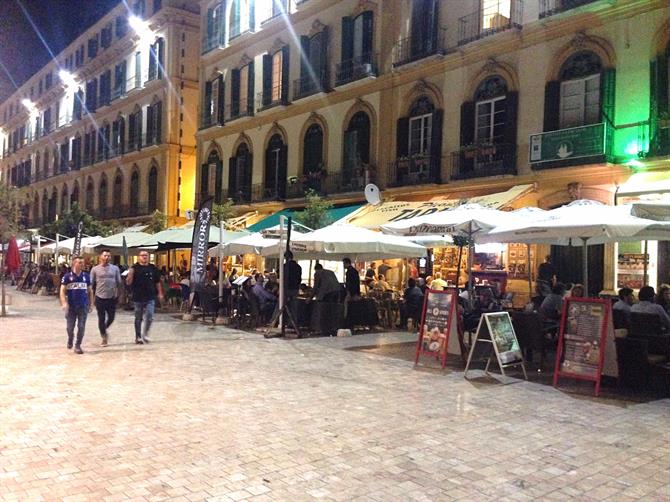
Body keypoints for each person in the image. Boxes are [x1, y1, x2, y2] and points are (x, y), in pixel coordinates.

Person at [126, 251, 164, 344]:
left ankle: (145, 334)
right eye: (142, 255)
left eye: (146, 256)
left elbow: (157, 282)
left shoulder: (152, 268)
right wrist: (130, 274)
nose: (144, 257)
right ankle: (138, 336)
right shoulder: (134, 268)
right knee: (138, 318)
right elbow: (128, 282)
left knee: (150, 316)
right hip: (138, 296)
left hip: (150, 296)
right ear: (139, 257)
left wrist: (160, 293)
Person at [60, 256, 93, 354]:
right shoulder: (67, 277)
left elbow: (90, 291)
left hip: (83, 306)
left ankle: (78, 345)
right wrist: (64, 302)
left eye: (83, 263)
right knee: (70, 327)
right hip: (71, 307)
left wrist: (91, 304)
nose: (82, 264)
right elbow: (62, 291)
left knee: (81, 326)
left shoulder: (86, 276)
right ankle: (70, 338)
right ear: (74, 263)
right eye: (80, 262)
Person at [90, 249, 122, 347]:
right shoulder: (95, 269)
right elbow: (91, 284)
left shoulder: (115, 268)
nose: (106, 257)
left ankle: (103, 329)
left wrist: (120, 295)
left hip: (112, 297)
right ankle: (104, 337)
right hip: (99, 297)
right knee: (101, 318)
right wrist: (91, 298)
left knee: (111, 317)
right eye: (105, 256)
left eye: (108, 256)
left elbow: (119, 282)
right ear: (100, 257)